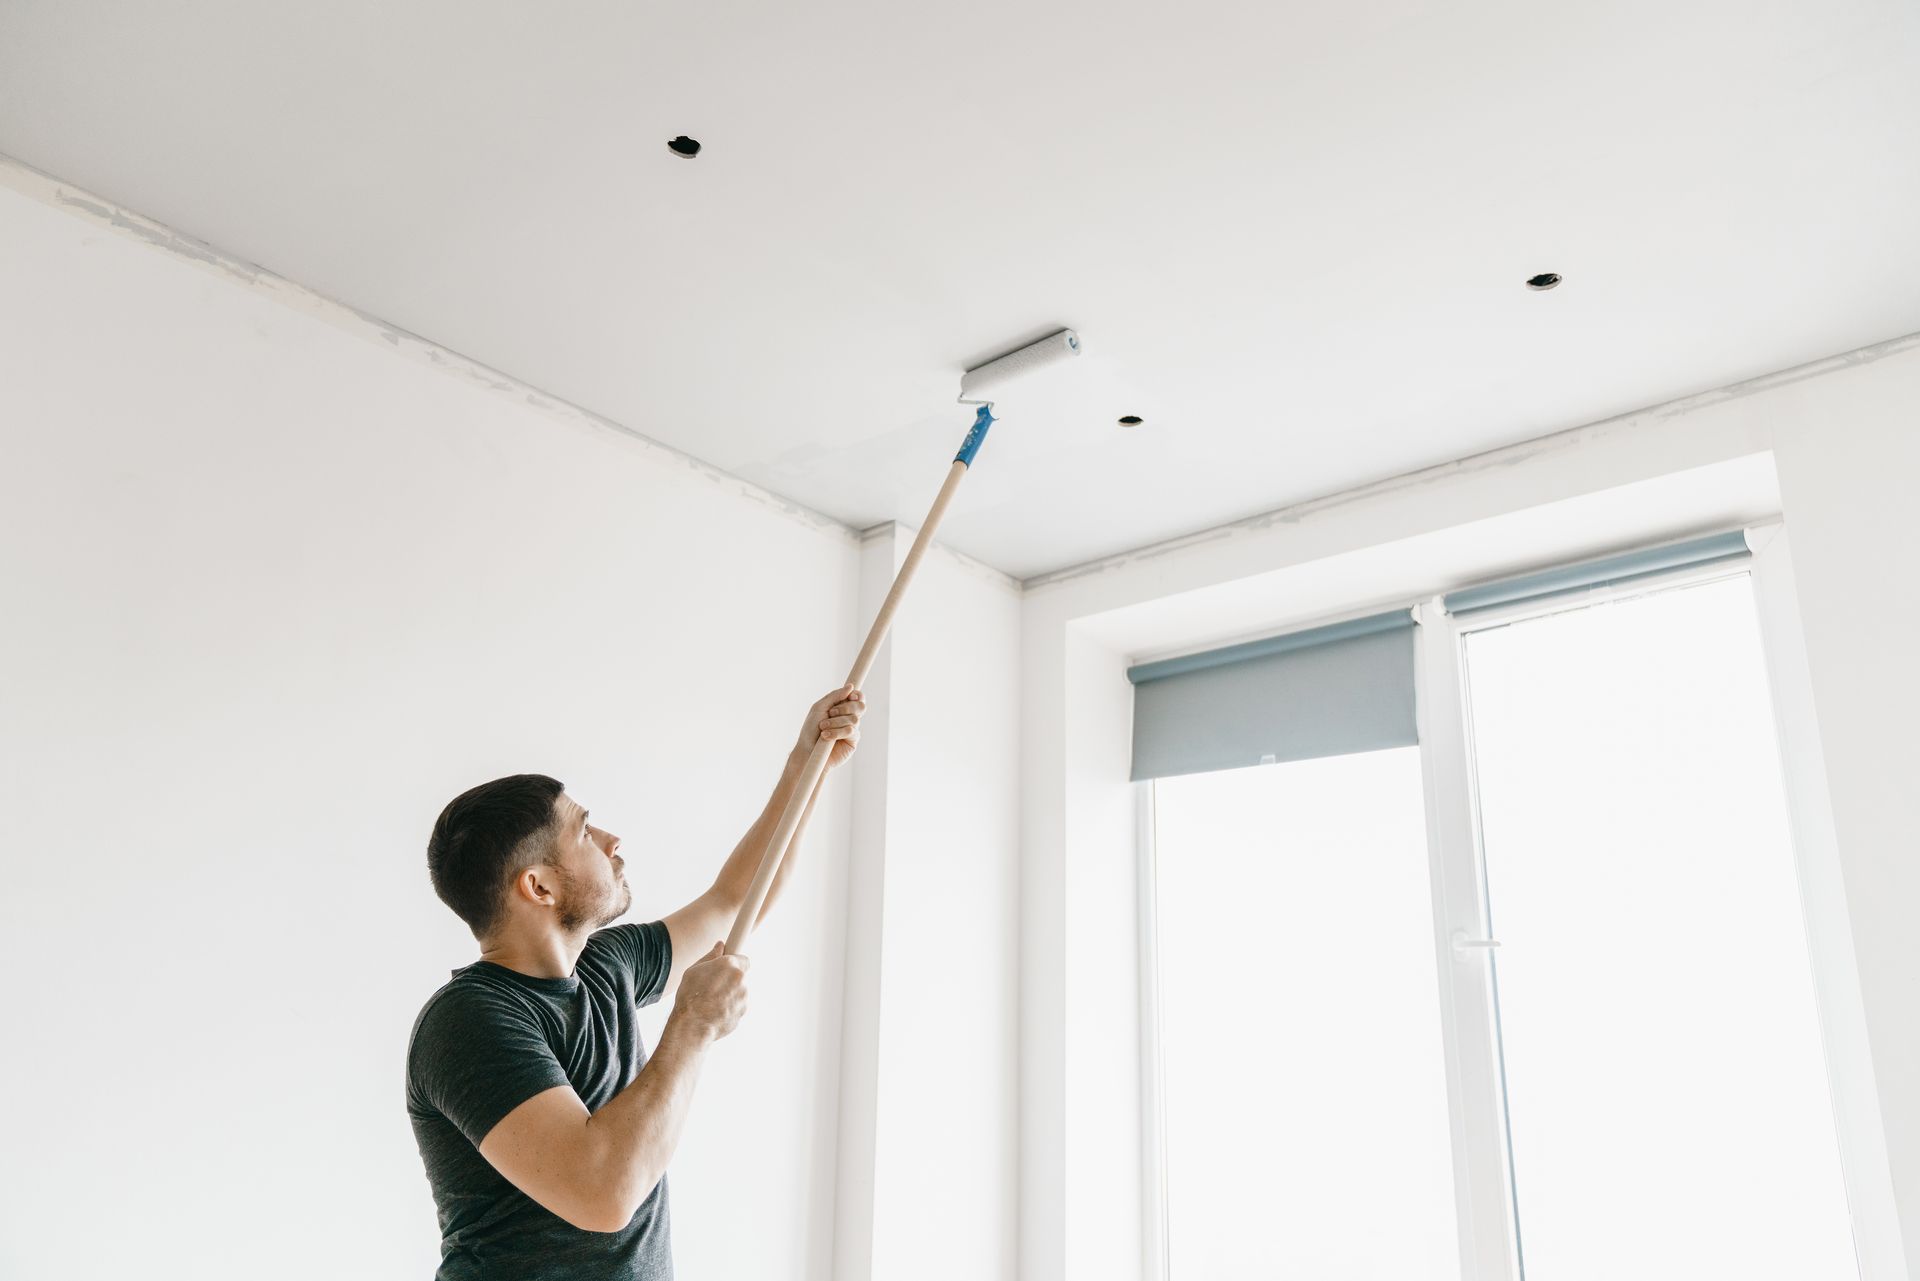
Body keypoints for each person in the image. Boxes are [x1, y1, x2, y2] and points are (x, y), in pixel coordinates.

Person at [405, 684, 865, 1280]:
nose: (611, 840)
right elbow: (603, 1193)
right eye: (584, 830)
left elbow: (734, 902)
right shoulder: (471, 1021)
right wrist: (693, 1025)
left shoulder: (606, 967)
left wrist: (809, 763)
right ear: (538, 886)